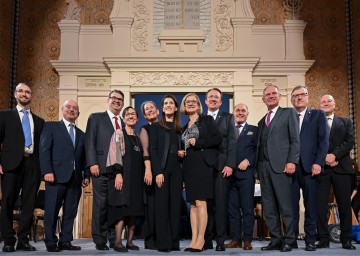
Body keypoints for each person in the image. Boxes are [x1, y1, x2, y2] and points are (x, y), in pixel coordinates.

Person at [39, 99, 90, 252]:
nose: (72, 110)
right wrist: (47, 171)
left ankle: (66, 241)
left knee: (70, 212)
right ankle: (50, 241)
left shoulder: (82, 134)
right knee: (52, 211)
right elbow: (44, 149)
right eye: (68, 107)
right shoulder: (51, 127)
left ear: (78, 113)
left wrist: (86, 175)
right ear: (62, 109)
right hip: (55, 177)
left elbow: (85, 157)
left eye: (75, 108)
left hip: (75, 179)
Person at [0, 83, 45, 252]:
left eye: (27, 92)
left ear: (31, 96)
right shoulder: (4, 115)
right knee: (8, 202)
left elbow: (42, 146)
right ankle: (9, 239)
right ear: (15, 95)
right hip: (10, 164)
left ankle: (23, 240)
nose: (24, 94)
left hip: (32, 164)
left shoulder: (39, 121)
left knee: (28, 204)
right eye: (21, 91)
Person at [255, 85, 300, 252]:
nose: (271, 96)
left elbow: (295, 140)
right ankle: (276, 239)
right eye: (267, 94)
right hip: (263, 167)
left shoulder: (288, 113)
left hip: (282, 166)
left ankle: (290, 239)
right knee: (269, 206)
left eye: (274, 93)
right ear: (263, 99)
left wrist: (292, 162)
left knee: (285, 205)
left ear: (279, 96)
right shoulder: (261, 121)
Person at [179, 93, 221, 252]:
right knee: (193, 204)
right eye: (187, 101)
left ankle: (201, 239)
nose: (190, 103)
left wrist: (199, 142)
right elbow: (185, 145)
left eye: (193, 101)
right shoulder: (184, 126)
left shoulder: (207, 120)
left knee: (201, 202)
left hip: (203, 164)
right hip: (189, 165)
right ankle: (194, 239)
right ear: (184, 105)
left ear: (198, 104)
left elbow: (217, 139)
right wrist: (182, 152)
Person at [290, 85, 329, 251]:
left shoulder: (318, 115)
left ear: (307, 97)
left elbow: (324, 141)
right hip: (291, 168)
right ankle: (290, 240)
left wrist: (318, 162)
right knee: (290, 207)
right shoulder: (287, 116)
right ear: (292, 99)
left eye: (302, 95)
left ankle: (310, 240)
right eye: (296, 95)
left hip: (310, 168)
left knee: (311, 206)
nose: (299, 98)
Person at [85, 90, 124, 250]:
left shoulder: (123, 121)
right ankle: (100, 239)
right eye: (114, 98)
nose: (117, 101)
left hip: (118, 172)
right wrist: (92, 163)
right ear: (108, 100)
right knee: (100, 205)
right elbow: (89, 142)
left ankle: (114, 238)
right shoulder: (96, 117)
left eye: (120, 99)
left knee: (114, 206)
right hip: (99, 168)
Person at [316, 94, 356, 250]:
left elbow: (349, 141)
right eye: (323, 101)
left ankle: (346, 239)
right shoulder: (315, 124)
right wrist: (325, 158)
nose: (326, 103)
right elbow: (312, 143)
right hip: (321, 169)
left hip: (342, 168)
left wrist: (334, 155)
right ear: (319, 105)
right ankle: (323, 239)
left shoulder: (345, 122)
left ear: (334, 104)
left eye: (329, 101)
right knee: (320, 205)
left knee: (344, 204)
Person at [107, 106, 145, 252]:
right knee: (121, 209)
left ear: (137, 118)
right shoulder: (119, 133)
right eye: (128, 114)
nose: (131, 116)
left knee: (133, 210)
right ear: (123, 118)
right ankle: (117, 242)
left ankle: (130, 241)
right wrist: (118, 173)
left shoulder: (138, 137)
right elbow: (115, 153)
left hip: (136, 178)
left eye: (133, 114)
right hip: (122, 177)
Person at [204, 88, 236, 252]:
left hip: (222, 167)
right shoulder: (201, 118)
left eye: (217, 97)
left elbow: (232, 142)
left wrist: (230, 164)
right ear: (206, 100)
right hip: (204, 168)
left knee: (221, 206)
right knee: (206, 206)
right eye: (211, 97)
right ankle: (207, 240)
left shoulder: (228, 118)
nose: (213, 99)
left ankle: (220, 240)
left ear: (221, 102)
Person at [150, 95, 183, 252]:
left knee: (175, 207)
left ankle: (174, 242)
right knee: (162, 207)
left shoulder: (180, 129)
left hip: (177, 171)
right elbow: (153, 150)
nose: (168, 105)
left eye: (171, 103)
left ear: (176, 108)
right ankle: (163, 243)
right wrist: (158, 171)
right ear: (162, 108)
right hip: (162, 171)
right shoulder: (157, 127)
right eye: (165, 103)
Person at [225, 103, 257, 251]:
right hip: (229, 176)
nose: (240, 113)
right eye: (237, 110)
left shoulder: (254, 130)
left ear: (247, 113)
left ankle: (247, 240)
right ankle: (236, 239)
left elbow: (258, 150)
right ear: (233, 113)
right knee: (232, 210)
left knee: (247, 209)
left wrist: (249, 160)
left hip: (246, 176)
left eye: (243, 110)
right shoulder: (227, 130)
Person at [139, 101, 158, 250]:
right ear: (145, 115)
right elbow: (145, 151)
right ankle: (150, 239)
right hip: (150, 171)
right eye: (147, 109)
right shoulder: (145, 129)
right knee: (151, 206)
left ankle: (162, 236)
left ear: (157, 111)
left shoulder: (165, 128)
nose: (150, 110)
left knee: (162, 207)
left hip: (164, 172)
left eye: (152, 108)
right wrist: (148, 170)